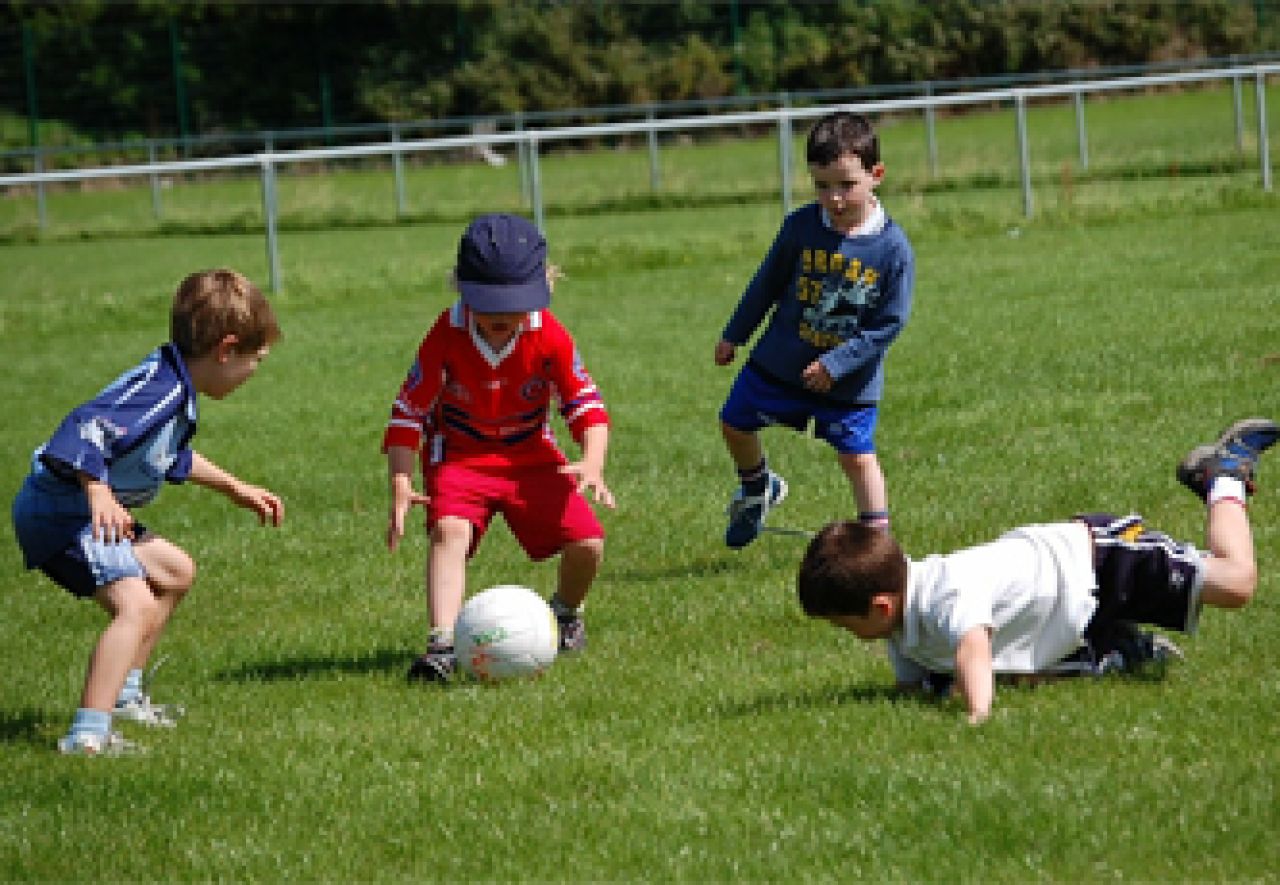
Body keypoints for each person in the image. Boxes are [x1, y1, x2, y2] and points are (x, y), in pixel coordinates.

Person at [796, 418, 1278, 725]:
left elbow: (972, 646)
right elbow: (914, 687)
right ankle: (1117, 647)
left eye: (844, 624)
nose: (845, 633)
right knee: (1019, 674)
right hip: (1064, 608)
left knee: (1236, 584)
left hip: (1097, 560)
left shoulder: (944, 592)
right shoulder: (898, 624)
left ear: (880, 607)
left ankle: (1222, 476)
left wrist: (978, 714)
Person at [12, 269, 284, 755]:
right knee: (134, 604)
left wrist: (233, 487)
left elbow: (166, 457)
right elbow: (84, 427)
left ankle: (125, 697)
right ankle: (88, 734)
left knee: (175, 571)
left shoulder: (175, 385)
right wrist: (97, 491)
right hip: (61, 510)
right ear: (226, 350)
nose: (254, 372)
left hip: (83, 506)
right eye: (254, 360)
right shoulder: (160, 392)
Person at [384, 213, 615, 683]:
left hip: (530, 456)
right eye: (489, 309)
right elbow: (407, 415)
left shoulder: (548, 333)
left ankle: (566, 615)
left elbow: (586, 405)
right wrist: (402, 484)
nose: (499, 322)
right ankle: (442, 647)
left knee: (588, 544)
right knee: (449, 532)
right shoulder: (444, 335)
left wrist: (592, 461)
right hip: (460, 459)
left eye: (511, 309)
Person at [715, 110, 914, 548]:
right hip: (782, 362)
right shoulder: (801, 227)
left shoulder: (892, 248)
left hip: (848, 383)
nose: (835, 197)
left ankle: (879, 546)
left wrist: (837, 363)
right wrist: (735, 334)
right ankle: (757, 488)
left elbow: (889, 322)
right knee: (734, 423)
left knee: (857, 458)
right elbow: (766, 284)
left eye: (846, 184)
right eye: (823, 185)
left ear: (875, 174)